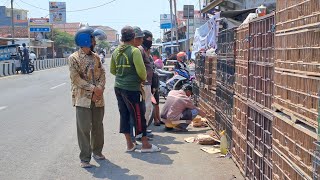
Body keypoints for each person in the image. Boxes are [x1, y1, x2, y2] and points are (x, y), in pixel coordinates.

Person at [110, 26, 161, 153]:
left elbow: (112, 70)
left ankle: (129, 144)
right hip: (132, 88)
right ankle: (145, 144)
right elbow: (142, 72)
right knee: (139, 116)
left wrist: (123, 74)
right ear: (133, 37)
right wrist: (140, 78)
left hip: (118, 87)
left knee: (124, 115)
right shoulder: (134, 51)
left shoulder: (116, 51)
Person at [68, 26, 107, 168]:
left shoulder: (96, 57)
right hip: (83, 99)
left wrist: (101, 88)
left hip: (98, 98)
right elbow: (75, 79)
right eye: (92, 38)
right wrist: (93, 89)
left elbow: (102, 74)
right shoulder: (73, 58)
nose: (94, 41)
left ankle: (98, 151)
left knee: (98, 126)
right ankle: (85, 158)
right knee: (84, 129)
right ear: (85, 40)